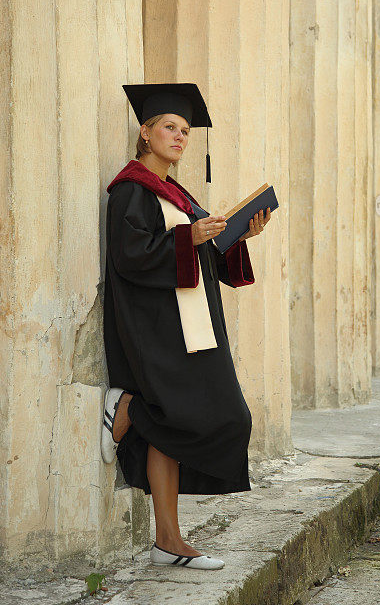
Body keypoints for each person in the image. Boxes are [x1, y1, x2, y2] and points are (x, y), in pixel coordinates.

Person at [101, 83, 271, 570]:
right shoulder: (130, 190)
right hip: (162, 328)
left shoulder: (175, 192)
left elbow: (202, 254)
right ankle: (130, 405)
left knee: (176, 427)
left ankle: (167, 541)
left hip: (192, 323)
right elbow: (130, 257)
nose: (179, 137)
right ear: (145, 131)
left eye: (185, 131)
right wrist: (188, 236)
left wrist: (236, 234)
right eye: (170, 128)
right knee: (211, 417)